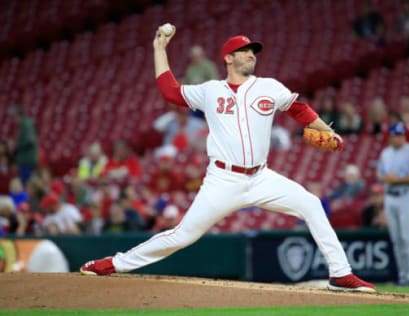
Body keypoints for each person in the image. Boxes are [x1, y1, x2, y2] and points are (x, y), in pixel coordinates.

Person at [80, 26, 376, 293]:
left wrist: (328, 132)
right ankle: (113, 264)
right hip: (223, 179)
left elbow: (298, 109)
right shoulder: (210, 91)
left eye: (253, 51)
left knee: (311, 204)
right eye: (244, 51)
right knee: (183, 235)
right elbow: (170, 92)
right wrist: (160, 48)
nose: (251, 55)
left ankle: (341, 274)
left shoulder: (269, 87)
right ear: (228, 59)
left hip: (261, 177)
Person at [377, 122, 409, 286]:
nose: (398, 138)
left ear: (404, 136)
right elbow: (380, 175)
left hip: (407, 194)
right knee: (397, 239)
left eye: (400, 135)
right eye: (395, 135)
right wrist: (387, 178)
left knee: (408, 237)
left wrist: (397, 180)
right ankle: (404, 276)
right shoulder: (386, 153)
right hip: (390, 196)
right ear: (390, 137)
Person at [10, 106, 39, 185]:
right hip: (24, 160)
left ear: (19, 115)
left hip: (27, 160)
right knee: (24, 183)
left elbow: (30, 141)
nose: (13, 120)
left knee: (26, 183)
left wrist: (16, 145)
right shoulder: (23, 125)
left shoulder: (26, 124)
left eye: (14, 117)